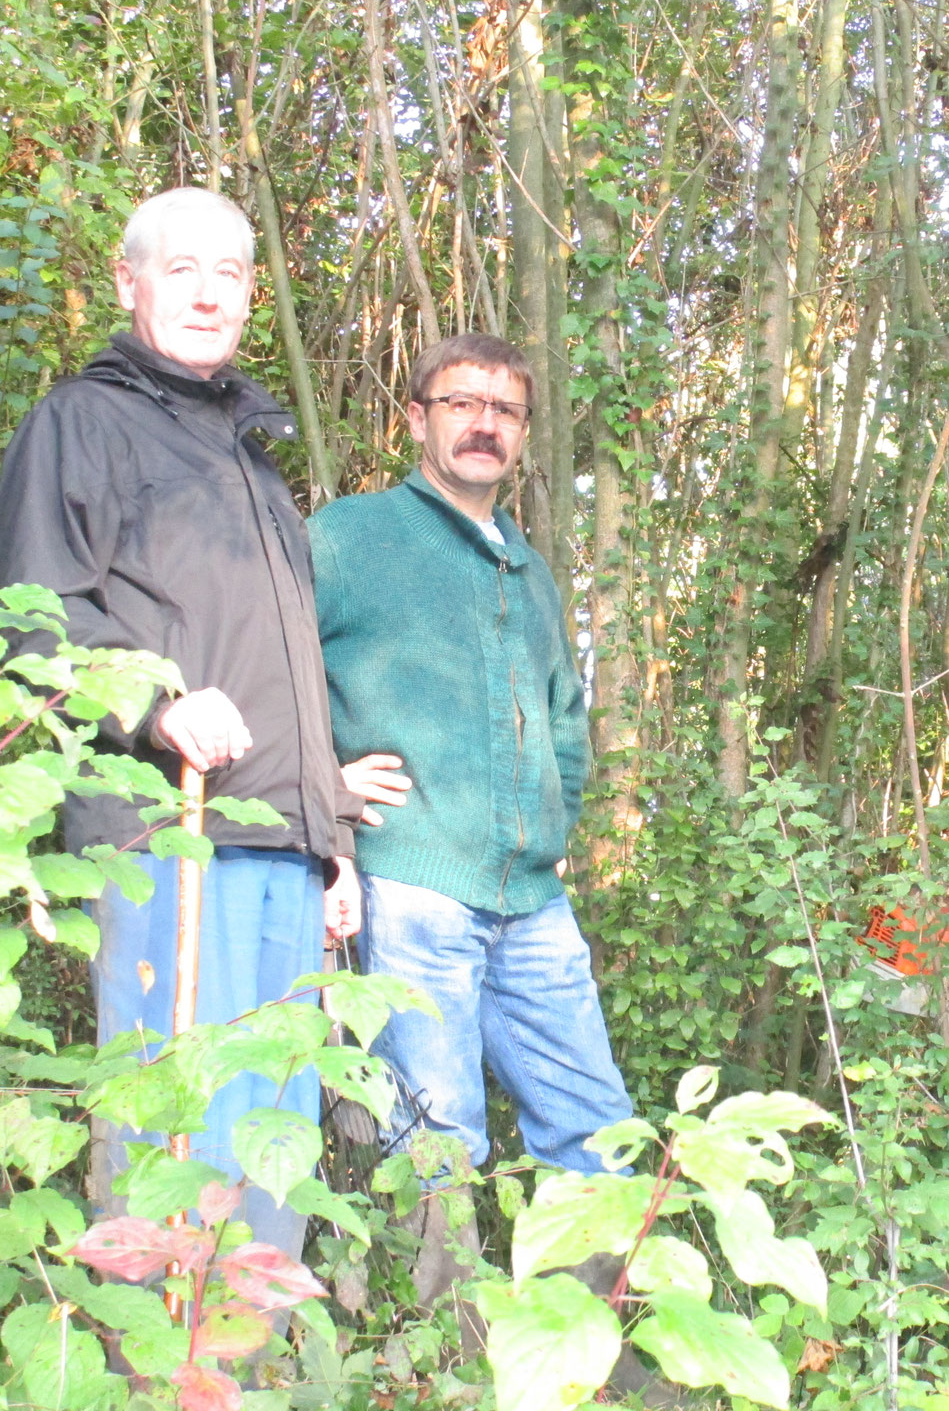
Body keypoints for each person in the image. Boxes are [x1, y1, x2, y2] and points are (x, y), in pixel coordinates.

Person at [0, 186, 367, 1259]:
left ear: (253, 295)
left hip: (282, 853)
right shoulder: (82, 423)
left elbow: (288, 669)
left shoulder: (251, 464)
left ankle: (237, 1370)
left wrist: (330, 841)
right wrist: (154, 706)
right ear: (129, 283)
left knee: (273, 1127)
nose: (209, 294)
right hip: (171, 833)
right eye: (181, 270)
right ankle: (152, 1366)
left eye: (231, 275)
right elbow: (34, 612)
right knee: (172, 1119)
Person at [307, 332, 633, 1284]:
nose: (484, 423)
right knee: (437, 1140)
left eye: (504, 409)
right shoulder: (350, 536)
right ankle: (447, 1356)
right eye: (462, 403)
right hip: (412, 883)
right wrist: (323, 784)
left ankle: (595, 1349)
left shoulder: (528, 571)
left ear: (524, 432)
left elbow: (564, 717)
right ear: (417, 417)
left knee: (596, 1123)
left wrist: (552, 824)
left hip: (532, 901)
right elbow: (267, 667)